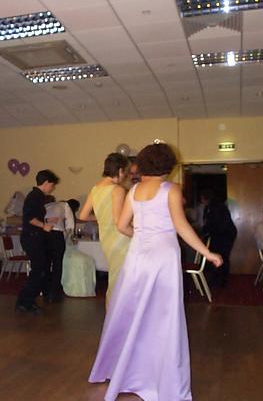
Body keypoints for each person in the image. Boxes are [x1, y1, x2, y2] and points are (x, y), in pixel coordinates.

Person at [89, 143, 222, 401]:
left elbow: (121, 225)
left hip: (137, 256)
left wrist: (141, 235)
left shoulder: (134, 190)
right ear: (167, 165)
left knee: (131, 313)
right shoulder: (171, 189)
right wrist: (207, 253)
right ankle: (157, 378)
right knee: (162, 318)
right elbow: (181, 227)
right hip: (163, 257)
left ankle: (126, 373)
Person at [79, 153, 130, 303]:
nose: (125, 176)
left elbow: (82, 216)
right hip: (120, 239)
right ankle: (117, 313)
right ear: (120, 170)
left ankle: (113, 313)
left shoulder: (95, 189)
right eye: (125, 172)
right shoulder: (117, 189)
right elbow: (118, 221)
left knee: (116, 278)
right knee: (122, 281)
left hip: (106, 239)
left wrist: (101, 218)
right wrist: (138, 233)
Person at [15, 169, 59, 313]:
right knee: (39, 270)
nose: (52, 188)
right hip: (32, 238)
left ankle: (26, 301)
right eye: (52, 185)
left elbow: (34, 216)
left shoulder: (36, 196)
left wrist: (47, 220)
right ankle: (25, 301)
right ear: (46, 183)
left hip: (33, 237)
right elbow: (29, 218)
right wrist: (44, 225)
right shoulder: (35, 196)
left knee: (40, 269)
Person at [200, 188, 237, 287]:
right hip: (225, 234)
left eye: (202, 199)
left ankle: (218, 280)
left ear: (205, 198)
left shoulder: (213, 207)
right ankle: (221, 280)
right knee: (223, 256)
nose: (201, 201)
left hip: (223, 235)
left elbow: (212, 223)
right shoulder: (216, 205)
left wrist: (203, 232)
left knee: (220, 256)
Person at [61, 199, 96, 297]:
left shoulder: (69, 222)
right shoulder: (59, 223)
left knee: (88, 260)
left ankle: (86, 288)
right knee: (81, 260)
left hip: (69, 246)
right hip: (63, 249)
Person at [44, 195, 75, 302]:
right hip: (57, 235)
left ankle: (46, 290)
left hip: (43, 234)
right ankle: (54, 292)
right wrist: (66, 236)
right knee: (57, 264)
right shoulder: (64, 205)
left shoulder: (42, 207)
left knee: (46, 263)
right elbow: (70, 224)